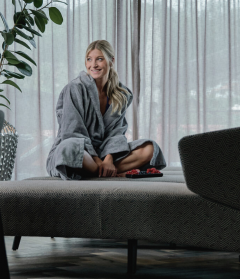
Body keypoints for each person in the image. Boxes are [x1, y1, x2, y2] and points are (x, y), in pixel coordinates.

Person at [46, 40, 166, 179]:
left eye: (100, 59)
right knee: (69, 149)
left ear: (111, 61)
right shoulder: (75, 88)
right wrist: (97, 159)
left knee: (149, 149)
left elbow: (116, 132)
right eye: (89, 59)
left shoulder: (121, 94)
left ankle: (101, 170)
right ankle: (106, 170)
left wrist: (108, 159)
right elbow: (73, 131)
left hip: (105, 153)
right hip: (80, 150)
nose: (93, 65)